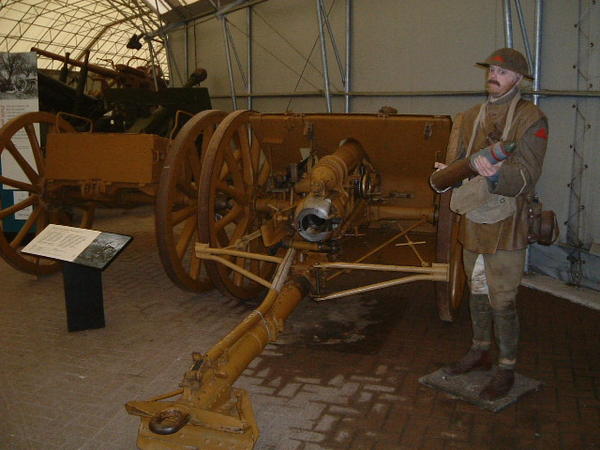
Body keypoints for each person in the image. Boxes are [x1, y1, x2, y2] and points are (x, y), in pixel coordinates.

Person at [435, 48, 549, 401]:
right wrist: (448, 173)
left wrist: (499, 175)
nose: (494, 75)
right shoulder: (468, 117)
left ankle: (506, 366)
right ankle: (479, 349)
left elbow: (528, 175)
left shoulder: (533, 119)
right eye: (492, 69)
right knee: (478, 288)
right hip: (475, 218)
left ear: (518, 78)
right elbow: (456, 164)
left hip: (508, 221)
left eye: (502, 71)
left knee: (503, 299)